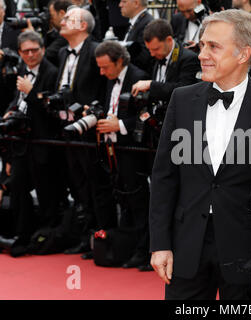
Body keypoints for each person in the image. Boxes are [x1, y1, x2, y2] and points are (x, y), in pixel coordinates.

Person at [149, 9, 251, 300]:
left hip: (247, 250)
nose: (202, 54)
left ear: (243, 54)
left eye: (213, 46)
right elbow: (164, 176)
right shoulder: (182, 99)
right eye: (202, 45)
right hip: (187, 243)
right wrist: (160, 243)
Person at [56, 7, 116, 255]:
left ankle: (104, 238)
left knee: (97, 186)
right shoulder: (61, 53)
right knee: (78, 185)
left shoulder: (95, 50)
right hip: (67, 129)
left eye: (68, 19)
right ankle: (86, 235)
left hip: (92, 130)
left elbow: (104, 87)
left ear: (83, 25)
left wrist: (96, 115)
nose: (62, 21)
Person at [93, 40, 152, 270]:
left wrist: (120, 126)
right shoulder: (110, 79)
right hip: (112, 150)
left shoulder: (139, 76)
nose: (102, 72)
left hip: (133, 151)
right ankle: (128, 247)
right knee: (124, 200)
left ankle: (144, 251)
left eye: (105, 67)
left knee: (139, 202)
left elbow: (146, 116)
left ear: (119, 61)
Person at [1, 31, 60, 256]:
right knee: (17, 186)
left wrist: (31, 91)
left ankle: (46, 236)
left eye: (34, 50)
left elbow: (51, 112)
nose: (30, 55)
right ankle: (22, 234)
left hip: (42, 142)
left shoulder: (52, 72)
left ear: (43, 49)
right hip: (21, 143)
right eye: (25, 51)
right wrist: (9, 113)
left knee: (46, 191)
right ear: (19, 53)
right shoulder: (21, 72)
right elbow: (16, 102)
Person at [131, 19, 200, 104]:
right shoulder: (156, 55)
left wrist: (151, 85)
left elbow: (183, 90)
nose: (152, 54)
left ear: (169, 40)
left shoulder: (189, 59)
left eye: (156, 49)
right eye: (149, 50)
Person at [119, 0, 154, 71]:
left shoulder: (147, 24)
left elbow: (143, 58)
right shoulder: (137, 22)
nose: (120, 5)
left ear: (136, 3)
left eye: (124, 2)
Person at [45, 0, 71, 67]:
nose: (51, 20)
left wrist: (33, 37)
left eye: (52, 16)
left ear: (62, 13)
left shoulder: (69, 33)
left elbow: (47, 55)